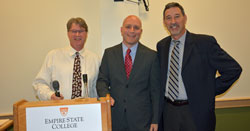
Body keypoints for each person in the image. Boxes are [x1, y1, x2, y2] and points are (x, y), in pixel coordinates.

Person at [157, 2, 242, 131]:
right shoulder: (161, 46)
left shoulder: (205, 43)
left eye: (177, 16)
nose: (173, 21)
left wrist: (209, 89)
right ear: (164, 22)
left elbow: (233, 69)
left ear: (185, 18)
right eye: (168, 18)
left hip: (196, 112)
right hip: (169, 112)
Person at [97, 15, 161, 131]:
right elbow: (102, 81)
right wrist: (106, 96)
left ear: (141, 32)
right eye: (128, 27)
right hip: (115, 118)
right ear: (121, 30)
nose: (132, 31)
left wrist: (155, 120)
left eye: (136, 28)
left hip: (142, 121)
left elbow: (156, 91)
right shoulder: (109, 53)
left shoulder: (152, 56)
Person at [33, 17, 100, 100]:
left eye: (81, 31)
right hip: (59, 109)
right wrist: (50, 95)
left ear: (86, 34)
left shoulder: (95, 59)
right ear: (68, 33)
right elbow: (39, 83)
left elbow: (98, 89)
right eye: (74, 31)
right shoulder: (53, 56)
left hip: (86, 110)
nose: (77, 35)